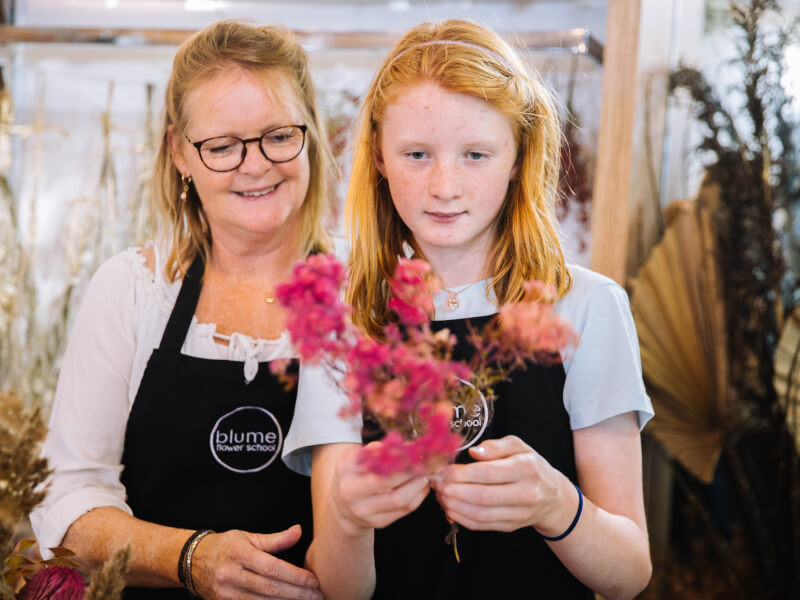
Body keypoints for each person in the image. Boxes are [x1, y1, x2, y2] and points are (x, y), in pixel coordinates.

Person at [284, 19, 654, 600]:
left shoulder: (587, 306)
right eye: (416, 154)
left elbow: (630, 572)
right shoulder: (343, 316)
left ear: (518, 157)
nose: (445, 185)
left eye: (477, 154)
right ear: (378, 156)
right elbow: (338, 588)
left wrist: (557, 504)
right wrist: (350, 519)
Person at [30, 20, 333, 599]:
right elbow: (67, 500)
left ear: (310, 132)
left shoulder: (369, 291)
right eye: (221, 146)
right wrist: (190, 557)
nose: (255, 164)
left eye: (277, 135)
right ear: (179, 153)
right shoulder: (132, 289)